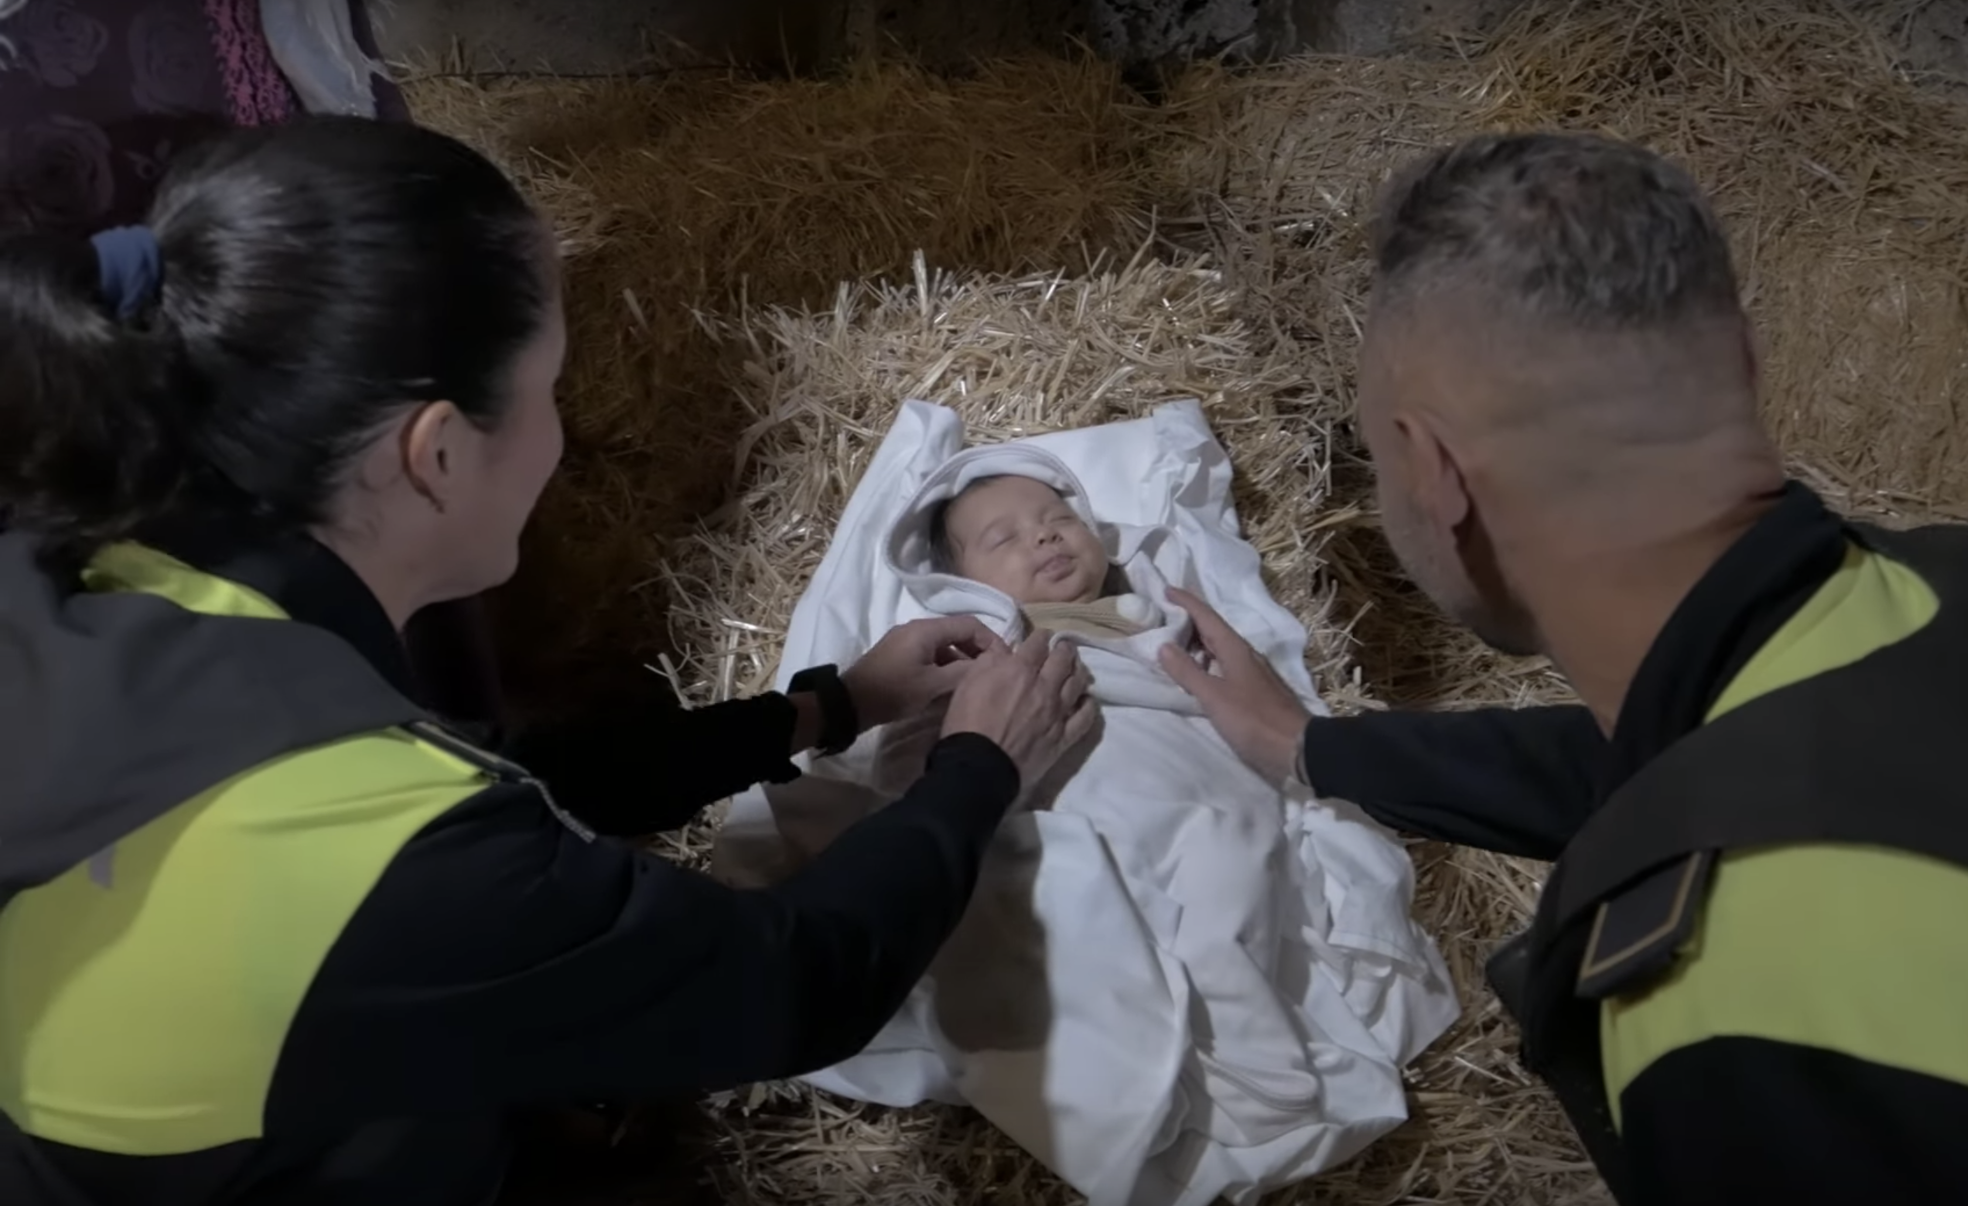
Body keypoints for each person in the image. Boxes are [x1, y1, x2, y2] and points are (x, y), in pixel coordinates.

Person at [0, 115, 1097, 1205]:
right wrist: (977, 767)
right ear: (434, 453)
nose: (562, 438)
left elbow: (490, 793)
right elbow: (797, 982)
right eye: (550, 390)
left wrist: (828, 705)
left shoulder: (107, 535)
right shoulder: (385, 853)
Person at [1158, 131, 1968, 1205]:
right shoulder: (1926, 585)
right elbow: (1692, 755)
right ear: (1746, 364)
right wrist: (1309, 745)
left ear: (1438, 475)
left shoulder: (1720, 1009)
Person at [928, 473, 1154, 639]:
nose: (1044, 533)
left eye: (1060, 518)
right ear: (964, 587)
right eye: (1004, 538)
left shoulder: (1158, 596)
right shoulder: (994, 648)